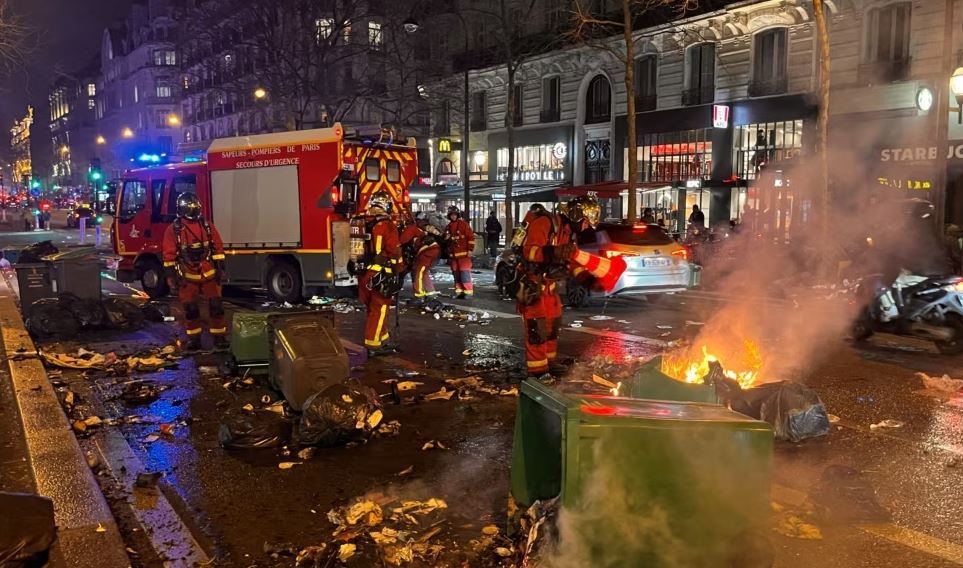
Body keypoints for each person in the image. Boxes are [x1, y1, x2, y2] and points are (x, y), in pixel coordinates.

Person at [516, 197, 600, 382]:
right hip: (532, 283)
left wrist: (587, 279)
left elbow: (570, 259)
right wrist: (554, 252)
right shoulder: (545, 223)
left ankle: (549, 363)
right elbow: (529, 252)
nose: (587, 227)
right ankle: (537, 371)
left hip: (548, 285)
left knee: (551, 325)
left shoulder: (568, 233)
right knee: (536, 329)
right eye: (586, 221)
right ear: (577, 216)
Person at [162, 193, 227, 352]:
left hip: (208, 273)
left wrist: (220, 268)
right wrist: (171, 276)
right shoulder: (174, 230)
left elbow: (217, 246)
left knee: (216, 306)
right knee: (190, 309)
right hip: (187, 275)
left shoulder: (206, 225)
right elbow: (169, 254)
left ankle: (219, 338)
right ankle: (194, 339)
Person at [359, 191, 403, 357]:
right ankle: (373, 345)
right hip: (380, 275)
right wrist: (400, 268)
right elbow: (394, 250)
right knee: (380, 309)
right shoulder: (387, 225)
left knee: (372, 309)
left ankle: (382, 337)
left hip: (363, 275)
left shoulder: (362, 221)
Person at [400, 212, 441, 302]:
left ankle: (419, 295)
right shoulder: (418, 229)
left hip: (426, 252)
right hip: (431, 251)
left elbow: (401, 241)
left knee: (418, 272)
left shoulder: (410, 229)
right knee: (423, 272)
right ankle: (430, 293)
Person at [445, 206, 476, 299]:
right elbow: (447, 241)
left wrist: (470, 249)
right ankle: (458, 291)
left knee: (464, 272)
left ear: (457, 215)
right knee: (456, 273)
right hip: (453, 255)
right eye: (451, 215)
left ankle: (468, 292)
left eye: (454, 215)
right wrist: (445, 238)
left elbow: (471, 237)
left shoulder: (463, 224)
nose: (453, 217)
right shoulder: (448, 226)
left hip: (464, 254)